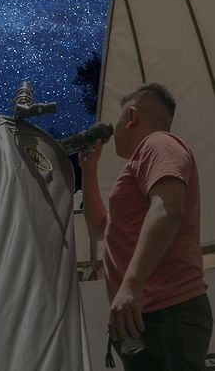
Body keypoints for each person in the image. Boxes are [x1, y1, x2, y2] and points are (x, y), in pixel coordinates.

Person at [79, 83, 213, 370]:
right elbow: (98, 229)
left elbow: (167, 208)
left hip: (166, 313)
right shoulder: (137, 170)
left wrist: (131, 286)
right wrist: (89, 171)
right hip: (145, 319)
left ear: (131, 117)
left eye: (117, 120)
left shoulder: (159, 144)